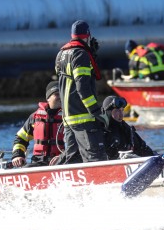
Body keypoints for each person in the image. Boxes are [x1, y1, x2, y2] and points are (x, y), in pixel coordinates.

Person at [55, 20, 108, 163]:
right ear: (88, 35)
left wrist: (92, 55)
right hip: (83, 116)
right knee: (95, 158)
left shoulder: (61, 54)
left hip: (68, 117)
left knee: (73, 160)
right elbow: (82, 87)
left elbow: (68, 82)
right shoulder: (81, 54)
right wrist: (96, 111)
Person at [11, 81, 65, 167]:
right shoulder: (35, 117)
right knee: (26, 169)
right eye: (56, 94)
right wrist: (18, 155)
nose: (60, 97)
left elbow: (77, 142)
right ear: (48, 98)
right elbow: (20, 138)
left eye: (62, 94)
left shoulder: (68, 116)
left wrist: (63, 156)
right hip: (39, 162)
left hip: (62, 161)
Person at [102, 95, 156, 160]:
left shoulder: (126, 129)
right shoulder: (98, 131)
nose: (121, 115)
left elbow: (143, 149)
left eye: (122, 110)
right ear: (108, 112)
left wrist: (156, 158)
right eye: (117, 111)